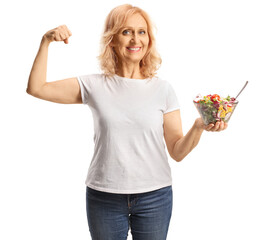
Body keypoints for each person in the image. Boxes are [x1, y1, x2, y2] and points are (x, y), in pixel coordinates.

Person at [26, 4, 227, 240]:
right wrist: (45, 41)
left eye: (142, 32)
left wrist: (198, 127)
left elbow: (177, 152)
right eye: (126, 32)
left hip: (155, 196)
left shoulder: (163, 89)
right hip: (104, 196)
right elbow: (36, 88)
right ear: (112, 39)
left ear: (149, 40)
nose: (135, 39)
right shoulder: (94, 85)